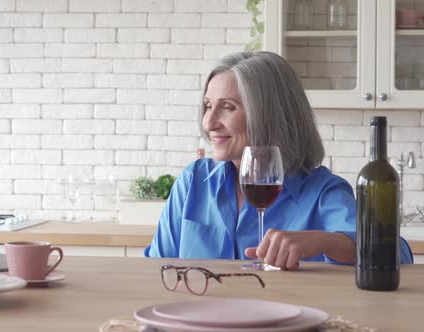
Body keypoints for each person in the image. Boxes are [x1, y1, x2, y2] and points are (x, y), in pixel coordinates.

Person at [144, 51, 413, 269]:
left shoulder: (321, 193)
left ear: (269, 115)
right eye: (207, 106)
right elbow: (153, 267)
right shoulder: (194, 182)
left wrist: (323, 241)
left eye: (227, 107)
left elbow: (394, 253)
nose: (209, 122)